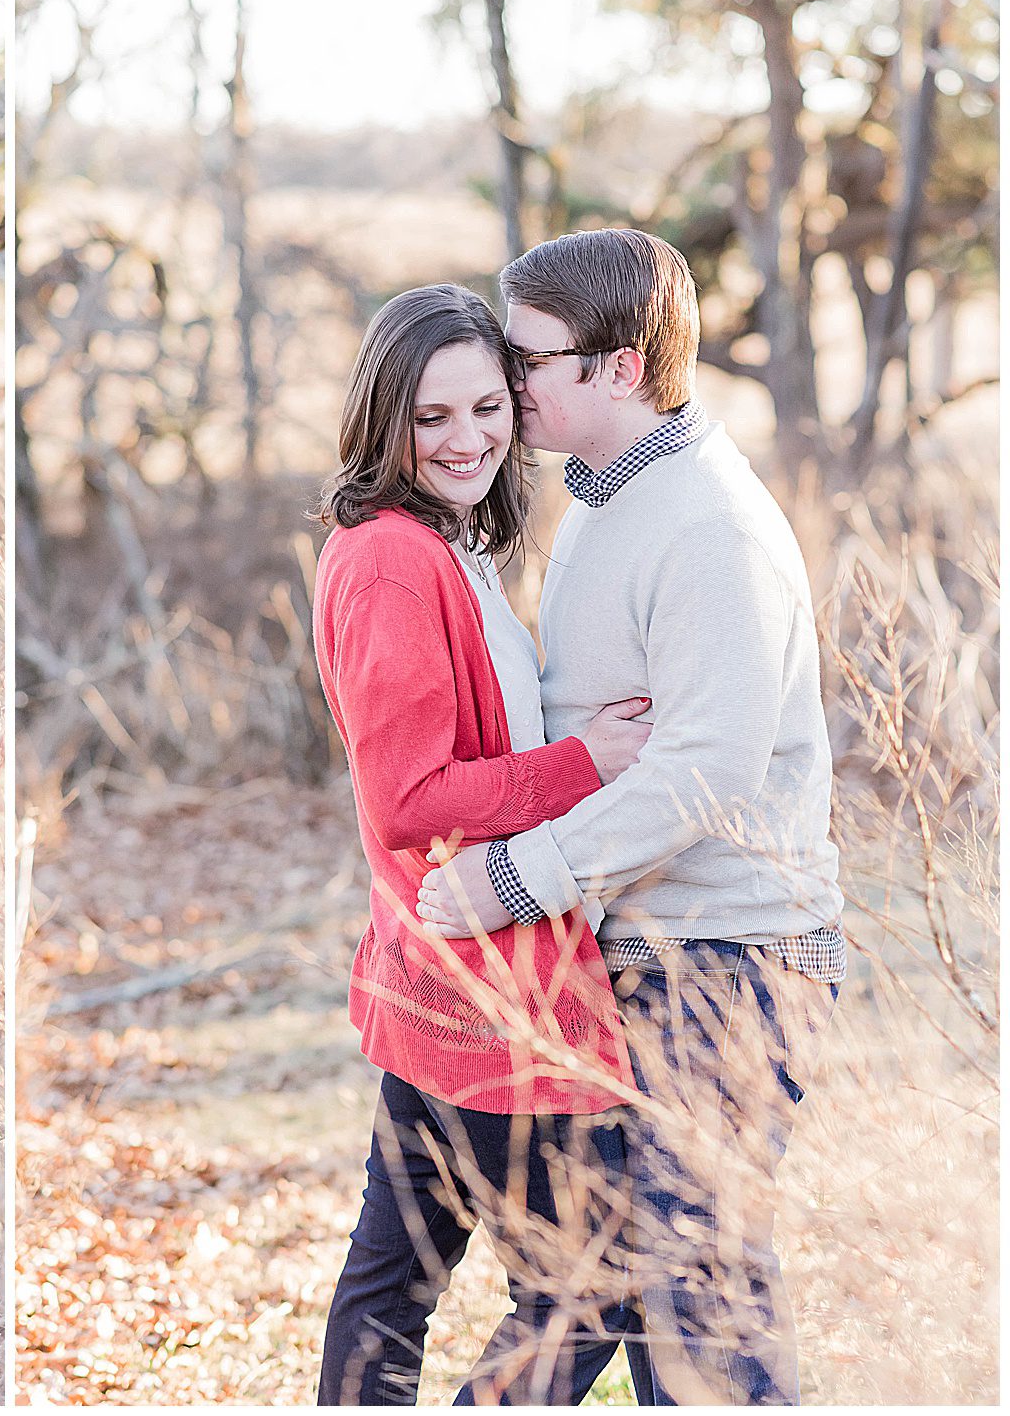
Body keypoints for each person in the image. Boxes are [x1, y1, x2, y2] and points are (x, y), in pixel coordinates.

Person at [418, 228, 846, 1404]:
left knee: (701, 1310)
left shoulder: (707, 527)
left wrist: (517, 876)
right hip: (646, 951)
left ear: (619, 366)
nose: (506, 384)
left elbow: (700, 769)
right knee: (600, 1279)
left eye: (527, 358)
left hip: (731, 961)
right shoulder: (606, 502)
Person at [309, 283, 657, 1404]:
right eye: (429, 417)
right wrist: (584, 764)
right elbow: (406, 796)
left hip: (447, 960)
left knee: (394, 1270)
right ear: (384, 421)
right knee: (591, 1281)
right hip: (478, 974)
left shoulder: (444, 543)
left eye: (484, 408)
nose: (466, 439)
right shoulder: (388, 560)